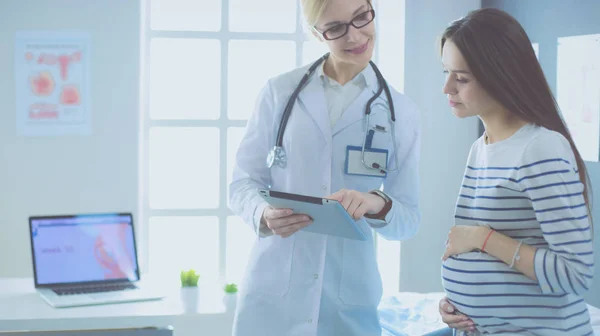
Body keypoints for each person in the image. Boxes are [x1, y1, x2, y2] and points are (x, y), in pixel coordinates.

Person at [227, 0, 421, 335]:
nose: (355, 35)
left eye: (361, 17)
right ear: (317, 33)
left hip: (348, 307)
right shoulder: (280, 92)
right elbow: (242, 183)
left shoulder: (400, 112)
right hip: (273, 300)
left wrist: (377, 203)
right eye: (336, 28)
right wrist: (262, 213)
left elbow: (408, 220)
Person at [425, 8, 595, 336]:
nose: (447, 87)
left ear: (500, 75)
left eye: (461, 78)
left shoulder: (540, 148)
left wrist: (482, 238)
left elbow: (575, 273)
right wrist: (455, 305)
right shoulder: (482, 147)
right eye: (446, 72)